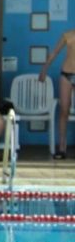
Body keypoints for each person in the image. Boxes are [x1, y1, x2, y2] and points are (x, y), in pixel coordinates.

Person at [39, 28, 75, 159]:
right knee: (64, 111)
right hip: (66, 74)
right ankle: (62, 148)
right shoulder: (67, 35)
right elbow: (54, 52)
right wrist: (44, 70)